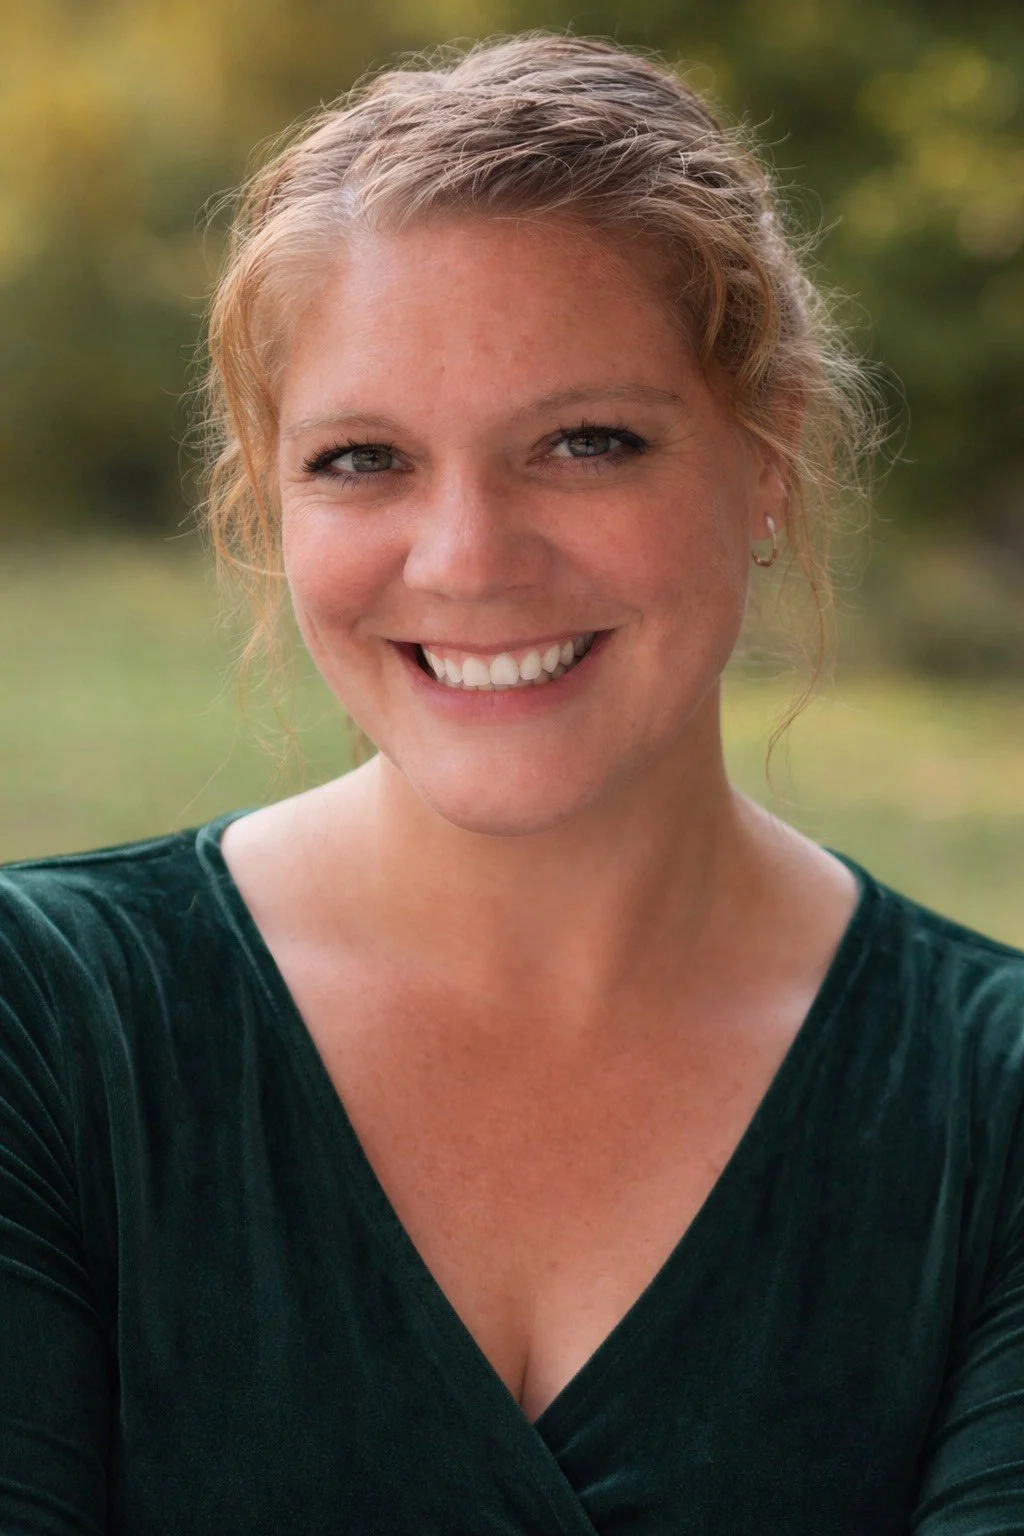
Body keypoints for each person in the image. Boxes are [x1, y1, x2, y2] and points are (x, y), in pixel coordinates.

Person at [1, 31, 1022, 1535]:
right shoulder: (47, 1028)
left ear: (767, 462)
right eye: (363, 460)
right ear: (264, 492)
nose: (467, 557)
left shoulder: (990, 1113)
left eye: (586, 442)